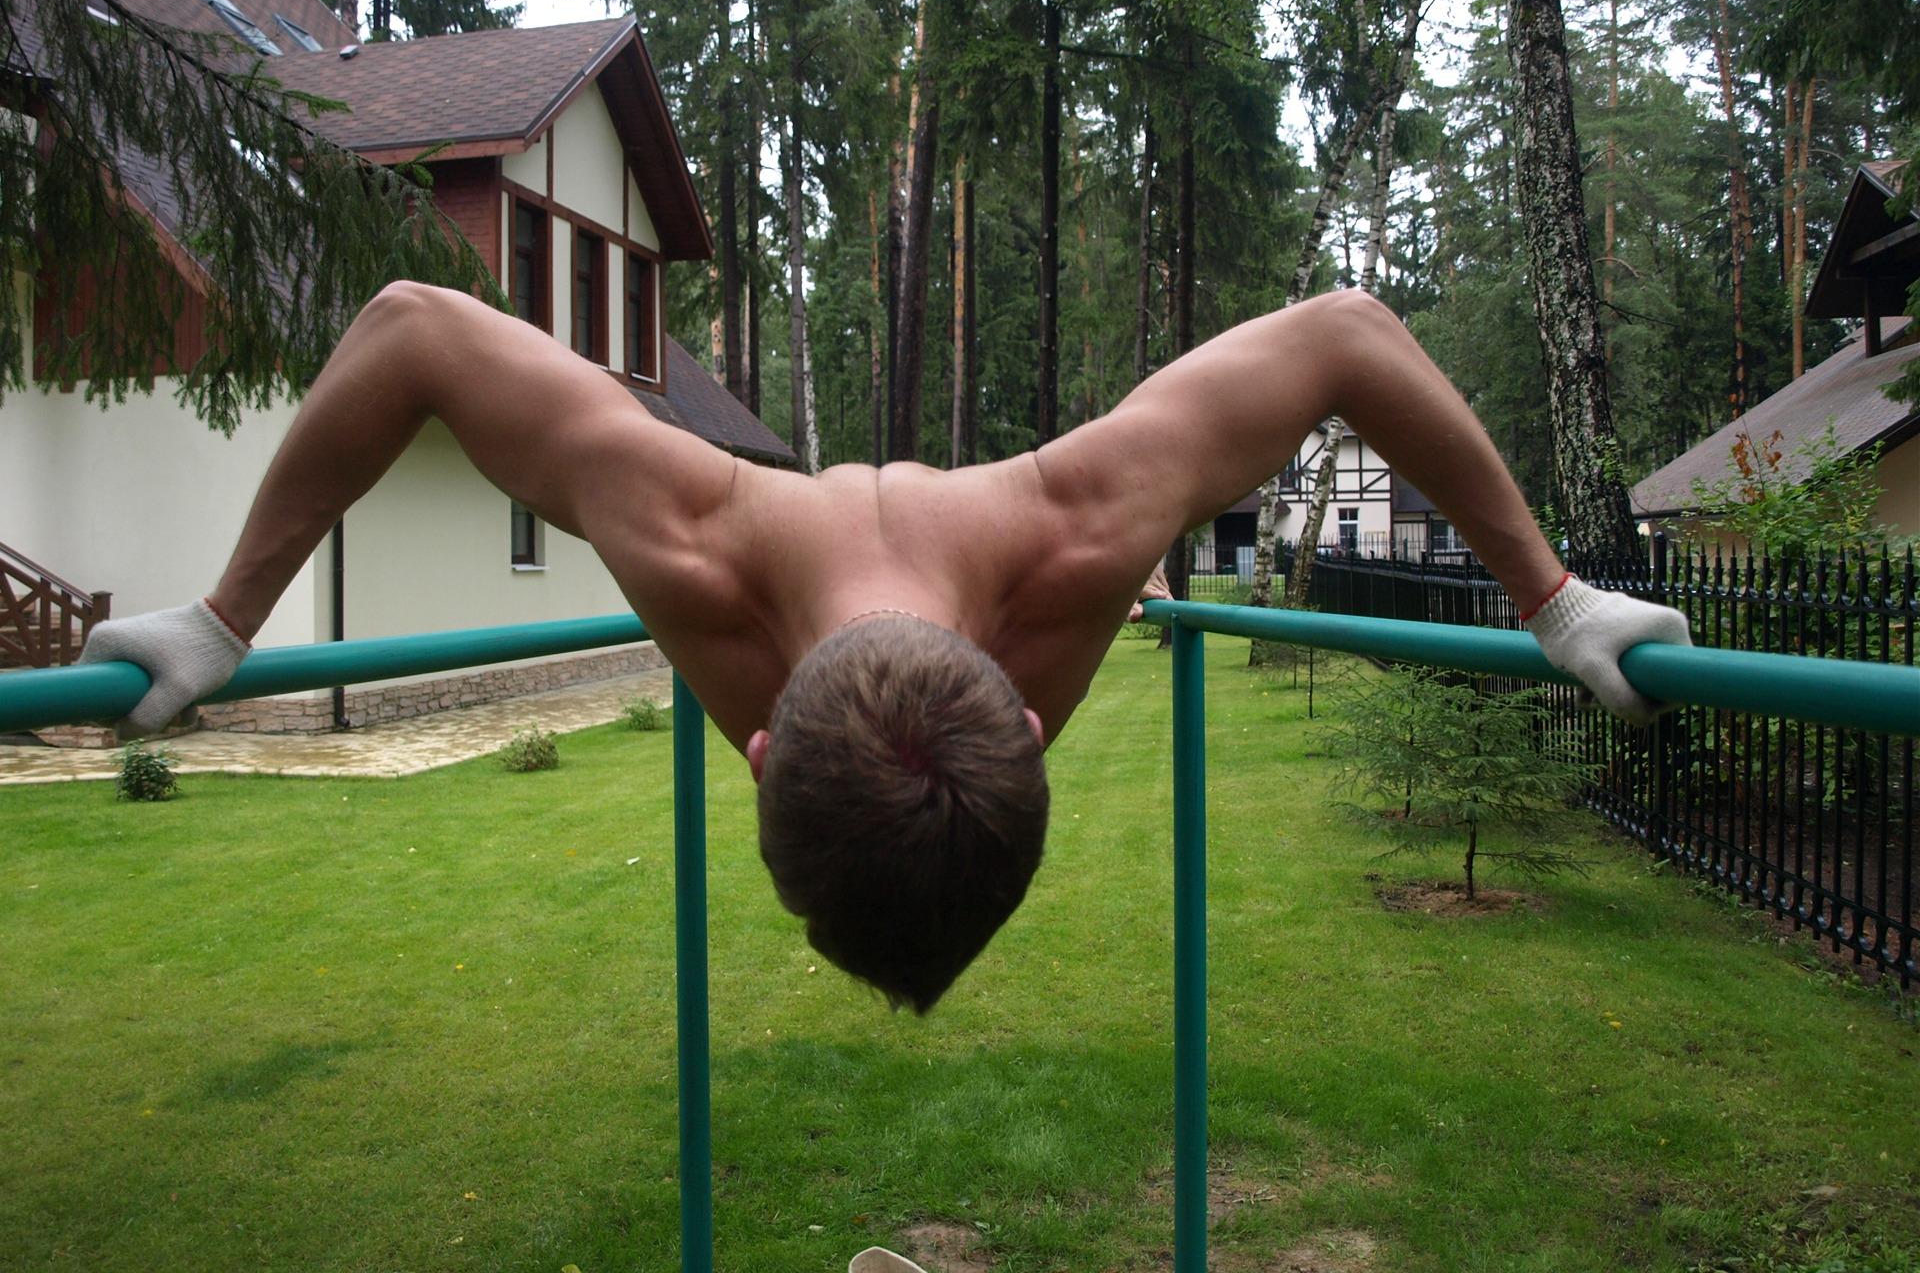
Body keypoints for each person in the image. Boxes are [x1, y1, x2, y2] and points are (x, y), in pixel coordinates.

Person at [80, 281, 1689, 1012]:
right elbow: (1344, 336)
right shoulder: (1079, 535)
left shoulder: (691, 541)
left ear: (756, 755)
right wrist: (1547, 601)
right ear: (1034, 730)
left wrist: (230, 620)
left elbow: (415, 332)